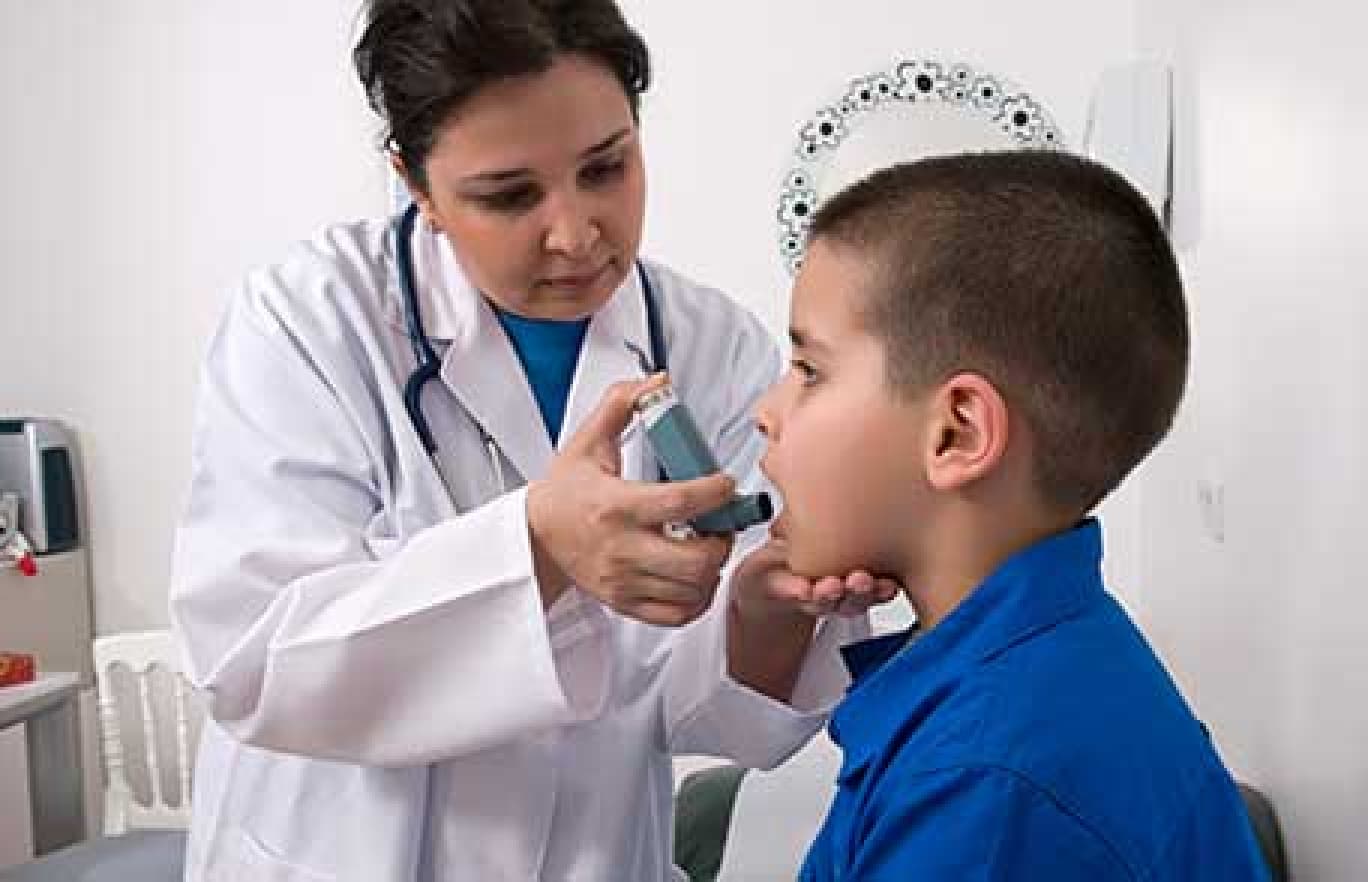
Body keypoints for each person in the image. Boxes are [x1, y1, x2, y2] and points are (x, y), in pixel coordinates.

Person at [168, 1, 894, 879]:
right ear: (415, 183)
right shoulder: (310, 322)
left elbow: (706, 714)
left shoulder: (709, 345)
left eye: (607, 167)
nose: (576, 233)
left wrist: (761, 610)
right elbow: (252, 663)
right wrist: (540, 548)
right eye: (510, 195)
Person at [755, 151, 1272, 880]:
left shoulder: (988, 788)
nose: (767, 413)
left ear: (957, 433)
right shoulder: (1033, 680)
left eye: (810, 371)